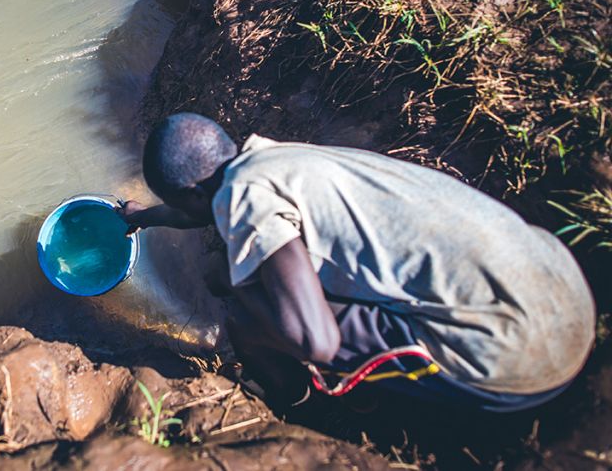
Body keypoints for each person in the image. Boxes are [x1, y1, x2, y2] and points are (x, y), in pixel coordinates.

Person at [118, 112, 596, 412]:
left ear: (194, 193)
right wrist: (145, 217)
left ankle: (293, 407)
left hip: (527, 361)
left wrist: (233, 285)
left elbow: (317, 340)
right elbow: (203, 207)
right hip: (565, 288)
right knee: (268, 280)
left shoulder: (244, 197)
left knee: (248, 317)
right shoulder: (278, 161)